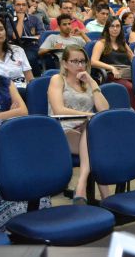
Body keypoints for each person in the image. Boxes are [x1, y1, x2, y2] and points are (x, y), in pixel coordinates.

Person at [0, 41, 37, 231]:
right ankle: (11, 226)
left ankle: (37, 219)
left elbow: (23, 111)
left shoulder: (5, 82)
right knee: (2, 173)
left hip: (10, 140)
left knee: (32, 167)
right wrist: (7, 116)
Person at [48, 45, 110, 204]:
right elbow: (58, 110)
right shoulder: (57, 80)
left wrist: (92, 82)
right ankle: (107, 199)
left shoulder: (88, 82)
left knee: (91, 133)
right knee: (96, 146)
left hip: (86, 130)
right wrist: (90, 116)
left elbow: (104, 109)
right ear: (65, 63)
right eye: (75, 61)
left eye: (83, 61)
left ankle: (81, 186)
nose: (80, 65)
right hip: (62, 130)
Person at [90, 16, 135, 114]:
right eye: (112, 26)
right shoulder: (101, 43)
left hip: (127, 74)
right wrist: (111, 68)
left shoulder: (122, 43)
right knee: (130, 88)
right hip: (111, 75)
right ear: (107, 28)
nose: (115, 29)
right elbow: (93, 61)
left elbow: (133, 59)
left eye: (118, 26)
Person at [0, 17, 33, 95]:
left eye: (1, 29)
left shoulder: (17, 50)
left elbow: (30, 78)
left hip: (24, 91)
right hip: (0, 94)